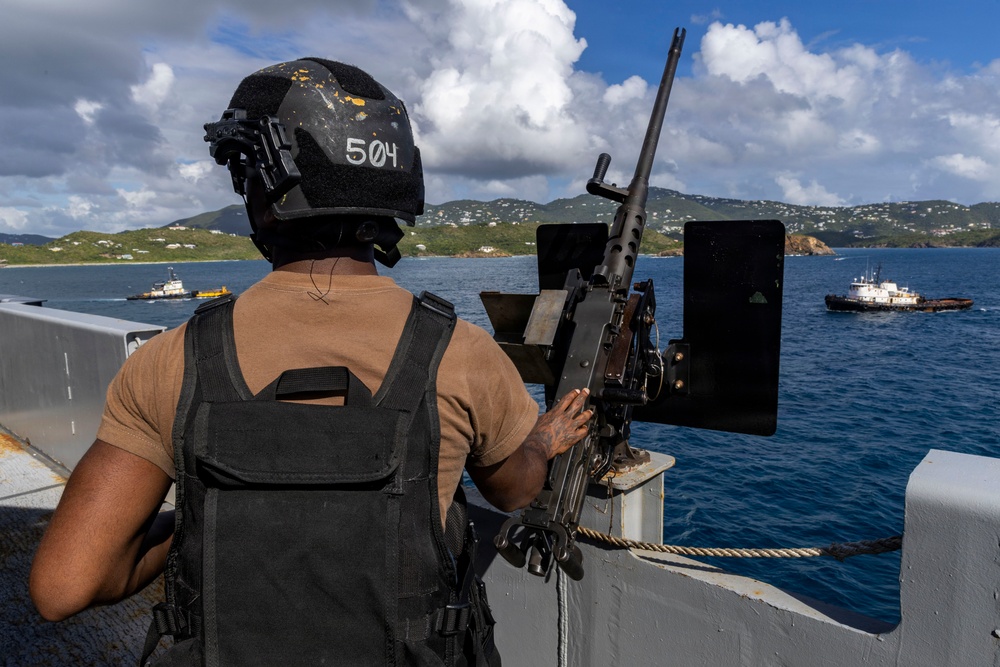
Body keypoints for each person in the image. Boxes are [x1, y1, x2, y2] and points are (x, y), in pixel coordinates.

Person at [29, 58, 592, 665]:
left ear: (264, 192)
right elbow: (512, 491)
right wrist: (542, 440)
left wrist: (204, 519)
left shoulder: (172, 362)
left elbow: (65, 587)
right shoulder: (461, 354)